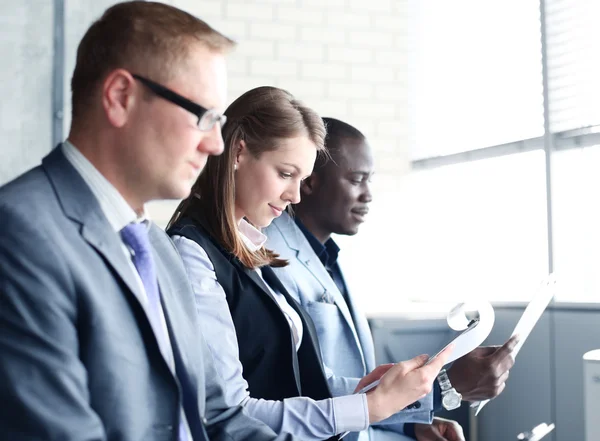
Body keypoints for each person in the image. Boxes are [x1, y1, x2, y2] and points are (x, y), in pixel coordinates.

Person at [0, 3, 298, 440]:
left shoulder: (157, 247)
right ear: (121, 97)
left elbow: (218, 416)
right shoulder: (21, 234)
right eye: (205, 117)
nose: (216, 145)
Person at [166, 86, 453, 441]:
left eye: (301, 180)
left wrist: (371, 390)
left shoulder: (247, 246)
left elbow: (294, 379)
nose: (295, 195)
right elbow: (232, 414)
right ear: (239, 153)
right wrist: (369, 408)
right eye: (286, 173)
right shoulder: (192, 252)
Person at [264, 117, 518, 441]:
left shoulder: (327, 256)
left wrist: (412, 425)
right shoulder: (270, 255)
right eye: (356, 180)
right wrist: (442, 388)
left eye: (370, 180)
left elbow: (357, 384)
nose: (368, 194)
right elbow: (304, 386)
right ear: (310, 181)